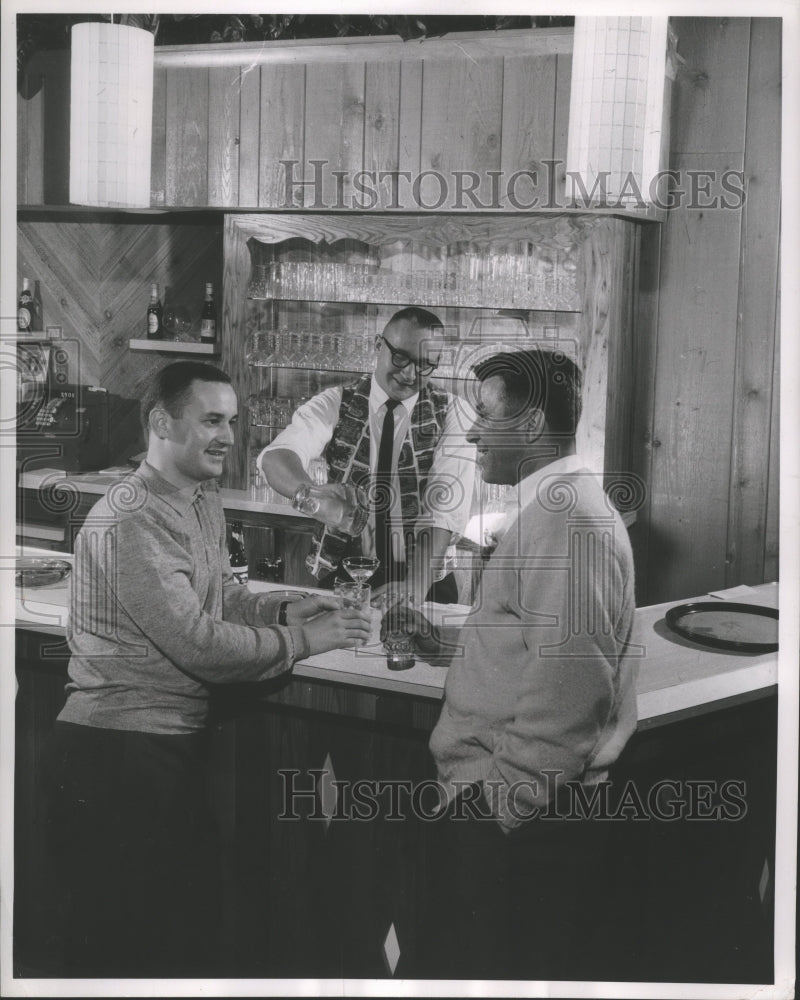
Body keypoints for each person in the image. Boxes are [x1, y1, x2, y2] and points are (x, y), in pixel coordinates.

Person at [41, 361, 371, 978]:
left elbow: (220, 597)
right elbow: (199, 645)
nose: (228, 436)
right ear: (161, 423)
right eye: (211, 420)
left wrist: (285, 604)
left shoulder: (199, 500)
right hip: (114, 756)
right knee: (117, 960)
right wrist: (302, 638)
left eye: (233, 422)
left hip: (161, 752)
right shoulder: (133, 517)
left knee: (170, 950)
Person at [389, 348, 638, 980]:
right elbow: (537, 648)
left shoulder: (569, 519)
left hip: (518, 819)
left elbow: (573, 693)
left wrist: (495, 807)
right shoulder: (555, 507)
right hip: (513, 808)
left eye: (485, 415)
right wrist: (445, 647)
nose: (471, 431)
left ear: (529, 426)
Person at [259, 307, 475, 603]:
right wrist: (312, 497)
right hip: (347, 574)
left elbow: (444, 509)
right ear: (377, 345)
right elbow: (275, 458)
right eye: (401, 357)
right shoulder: (337, 402)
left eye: (425, 365)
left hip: (425, 581)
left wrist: (415, 587)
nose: (410, 374)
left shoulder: (454, 412)